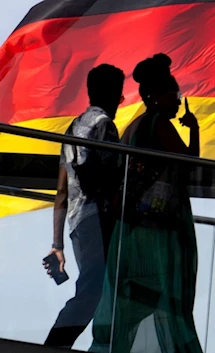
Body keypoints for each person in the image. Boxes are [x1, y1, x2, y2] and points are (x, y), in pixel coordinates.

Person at [89, 53, 202, 353]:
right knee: (167, 295)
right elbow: (189, 163)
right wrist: (193, 129)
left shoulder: (133, 127)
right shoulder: (159, 124)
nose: (178, 102)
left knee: (133, 300)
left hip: (130, 228)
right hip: (156, 229)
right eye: (173, 95)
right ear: (155, 96)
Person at [44, 64, 125, 349]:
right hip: (99, 218)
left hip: (78, 223)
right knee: (95, 290)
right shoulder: (104, 124)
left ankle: (58, 343)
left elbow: (62, 190)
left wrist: (57, 244)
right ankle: (56, 345)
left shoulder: (72, 127)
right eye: (120, 95)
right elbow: (108, 178)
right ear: (113, 94)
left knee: (94, 288)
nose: (121, 101)